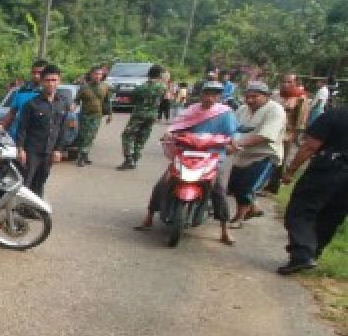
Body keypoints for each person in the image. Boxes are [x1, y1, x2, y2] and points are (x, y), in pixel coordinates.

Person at [135, 80, 237, 245]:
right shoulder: (191, 110)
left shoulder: (225, 113)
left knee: (218, 190)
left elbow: (233, 133)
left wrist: (232, 143)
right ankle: (149, 216)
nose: (210, 97)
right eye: (207, 93)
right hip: (187, 151)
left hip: (212, 155)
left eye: (214, 94)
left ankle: (224, 229)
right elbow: (177, 125)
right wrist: (169, 133)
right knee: (162, 183)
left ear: (219, 96)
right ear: (201, 94)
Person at [277, 106, 348, 274]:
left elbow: (311, 146)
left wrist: (291, 170)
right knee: (332, 215)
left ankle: (302, 254)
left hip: (328, 169)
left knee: (300, 210)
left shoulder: (335, 114)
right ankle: (312, 254)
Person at [227, 81, 286, 226]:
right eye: (248, 96)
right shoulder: (242, 109)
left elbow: (264, 135)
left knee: (246, 187)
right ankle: (253, 208)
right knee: (232, 184)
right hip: (242, 154)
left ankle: (239, 217)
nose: (250, 100)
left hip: (264, 155)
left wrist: (237, 144)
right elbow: (231, 127)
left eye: (255, 96)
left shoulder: (276, 111)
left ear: (266, 97)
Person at [10, 62, 68, 196]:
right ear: (42, 82)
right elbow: (22, 128)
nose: (51, 84)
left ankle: (33, 208)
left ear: (59, 81)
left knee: (41, 180)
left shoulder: (62, 103)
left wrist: (59, 150)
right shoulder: (31, 104)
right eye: (47, 80)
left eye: (54, 80)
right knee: (26, 180)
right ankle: (18, 209)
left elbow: (62, 128)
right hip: (32, 151)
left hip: (49, 151)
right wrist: (20, 149)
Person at [118, 64, 167, 170]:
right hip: (152, 115)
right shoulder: (162, 87)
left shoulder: (141, 87)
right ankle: (135, 160)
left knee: (127, 135)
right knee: (142, 137)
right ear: (159, 75)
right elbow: (164, 100)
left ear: (149, 74)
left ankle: (128, 160)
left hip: (139, 114)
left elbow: (132, 100)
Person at [74, 65, 113, 167]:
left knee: (91, 135)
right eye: (95, 74)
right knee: (83, 135)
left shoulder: (105, 87)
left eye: (100, 74)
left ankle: (83, 156)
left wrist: (110, 114)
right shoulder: (84, 87)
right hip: (85, 115)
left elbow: (107, 101)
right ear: (91, 75)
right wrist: (73, 106)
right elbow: (77, 100)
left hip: (97, 115)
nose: (98, 76)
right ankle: (82, 155)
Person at [4, 60, 46, 138]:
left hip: (39, 141)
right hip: (18, 136)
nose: (36, 76)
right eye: (34, 72)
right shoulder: (22, 91)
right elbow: (12, 113)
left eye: (39, 73)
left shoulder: (51, 94)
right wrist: (2, 131)